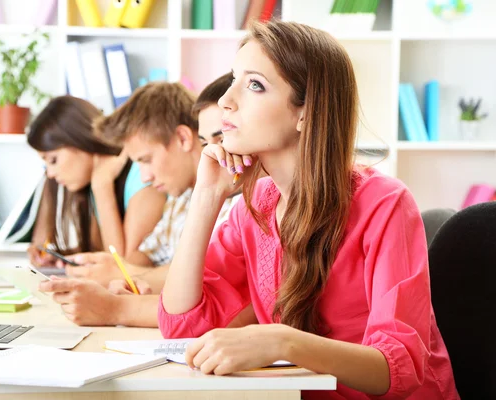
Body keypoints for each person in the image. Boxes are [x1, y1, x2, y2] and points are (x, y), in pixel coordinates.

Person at [158, 21, 459, 399]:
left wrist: (284, 342)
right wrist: (206, 196)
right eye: (233, 80)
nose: (225, 101)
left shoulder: (384, 204)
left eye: (254, 85)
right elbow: (182, 327)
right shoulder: (254, 208)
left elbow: (399, 367)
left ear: (306, 112)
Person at [39, 78, 250, 327]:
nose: (145, 177)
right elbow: (145, 256)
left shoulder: (239, 203)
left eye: (147, 159)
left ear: (183, 138)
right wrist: (125, 275)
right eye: (206, 141)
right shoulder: (180, 198)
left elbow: (204, 285)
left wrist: (122, 282)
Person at [26, 96, 166, 275]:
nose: (51, 174)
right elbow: (103, 254)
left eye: (54, 160)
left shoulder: (143, 174)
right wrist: (66, 258)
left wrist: (102, 186)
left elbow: (122, 268)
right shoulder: (91, 181)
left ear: (80, 140)